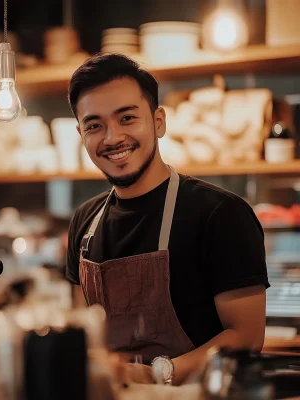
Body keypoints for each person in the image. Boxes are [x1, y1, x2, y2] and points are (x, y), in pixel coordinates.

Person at [65, 53, 269, 385]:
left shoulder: (220, 214)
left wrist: (158, 374)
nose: (112, 137)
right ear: (81, 134)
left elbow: (247, 335)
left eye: (127, 118)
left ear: (158, 121)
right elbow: (84, 330)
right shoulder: (85, 222)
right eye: (95, 125)